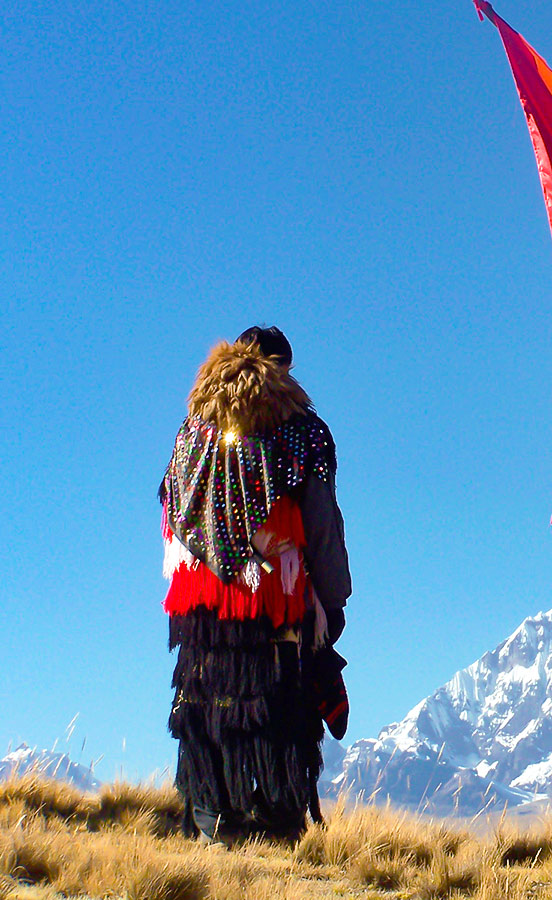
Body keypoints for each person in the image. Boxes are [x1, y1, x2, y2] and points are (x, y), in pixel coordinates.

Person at [159, 326, 351, 843]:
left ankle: (211, 815)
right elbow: (322, 523)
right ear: (283, 367)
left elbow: (172, 512)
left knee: (203, 700)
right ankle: (277, 819)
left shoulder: (191, 432)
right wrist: (333, 600)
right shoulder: (303, 430)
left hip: (201, 602)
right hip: (274, 596)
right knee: (279, 705)